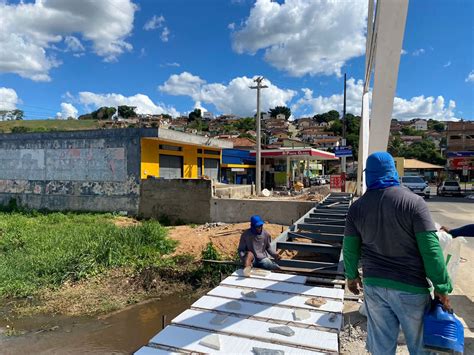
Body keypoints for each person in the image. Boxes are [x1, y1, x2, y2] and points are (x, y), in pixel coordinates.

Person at [343, 152, 452, 355]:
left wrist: (351, 276)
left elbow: (349, 248)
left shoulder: (356, 208)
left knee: (381, 347)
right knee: (421, 348)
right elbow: (431, 250)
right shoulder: (414, 203)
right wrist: (442, 286)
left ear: (369, 175)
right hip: (410, 287)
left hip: (374, 286)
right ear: (393, 172)